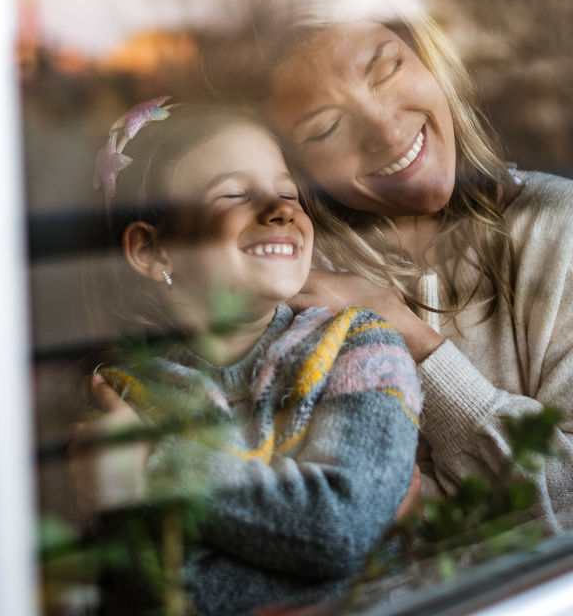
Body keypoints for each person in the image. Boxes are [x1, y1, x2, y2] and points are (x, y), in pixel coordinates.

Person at [215, 0, 573, 530]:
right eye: (326, 127)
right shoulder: (297, 279)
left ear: (428, 59)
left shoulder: (564, 225)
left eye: (386, 70)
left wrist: (414, 342)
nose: (386, 130)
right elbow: (295, 520)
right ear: (295, 167)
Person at [70, 98, 423, 616]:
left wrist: (157, 462)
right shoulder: (123, 396)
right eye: (233, 193)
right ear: (151, 251)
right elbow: (146, 592)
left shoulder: (362, 347)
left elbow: (341, 530)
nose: (280, 209)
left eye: (287, 191)